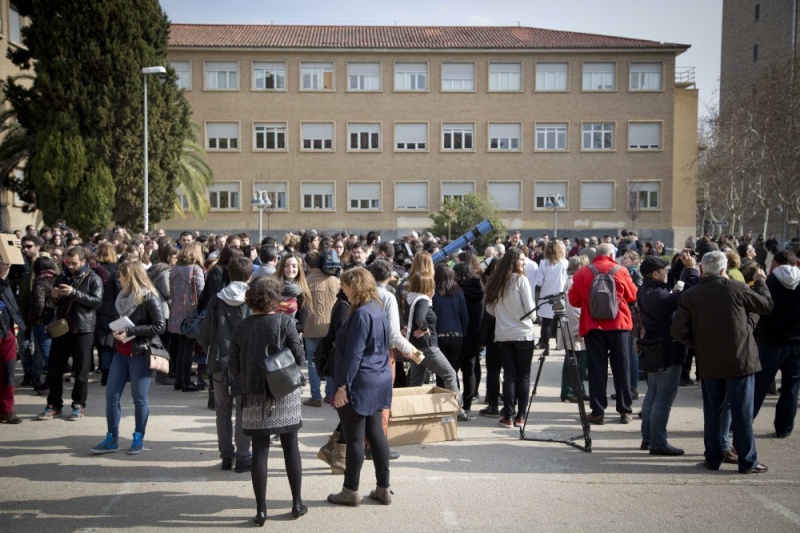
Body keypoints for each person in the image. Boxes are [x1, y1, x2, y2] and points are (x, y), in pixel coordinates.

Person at [672, 250, 773, 473]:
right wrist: (761, 282)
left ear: (702, 270)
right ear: (723, 269)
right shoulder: (736, 288)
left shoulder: (691, 294)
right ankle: (747, 461)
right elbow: (765, 305)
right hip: (740, 360)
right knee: (742, 414)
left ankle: (714, 457)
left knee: (713, 413)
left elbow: (679, 331)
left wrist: (699, 344)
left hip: (710, 361)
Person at [229, 276, 307, 525]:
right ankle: (296, 504)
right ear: (276, 298)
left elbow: (232, 365)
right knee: (290, 445)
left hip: (253, 392)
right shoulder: (285, 321)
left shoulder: (242, 326)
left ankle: (261, 510)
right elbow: (300, 357)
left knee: (260, 450)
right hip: (284, 390)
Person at [327, 267, 393, 507]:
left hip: (361, 380)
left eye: (345, 285)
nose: (342, 289)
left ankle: (350, 490)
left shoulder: (361, 314)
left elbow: (354, 354)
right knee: (376, 435)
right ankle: (383, 487)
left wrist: (343, 385)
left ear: (355, 286)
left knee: (355, 438)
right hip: (379, 377)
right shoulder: (378, 309)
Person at [91, 261, 165, 454]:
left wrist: (132, 330)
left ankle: (138, 437)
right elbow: (118, 320)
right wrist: (115, 331)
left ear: (131, 277)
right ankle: (112, 438)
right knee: (111, 396)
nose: (119, 279)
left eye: (122, 276)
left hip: (140, 354)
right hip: (121, 352)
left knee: (139, 399)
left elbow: (159, 326)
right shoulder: (121, 297)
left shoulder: (149, 297)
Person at [568, 243, 638, 425]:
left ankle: (598, 411)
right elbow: (632, 296)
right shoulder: (620, 271)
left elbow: (574, 300)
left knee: (596, 369)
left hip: (593, 326)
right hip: (619, 325)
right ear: (611, 255)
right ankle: (625, 410)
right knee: (622, 368)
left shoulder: (583, 273)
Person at [636, 253, 699, 455]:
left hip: (655, 349)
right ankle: (658, 443)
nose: (666, 273)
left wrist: (680, 263)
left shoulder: (647, 289)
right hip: (666, 350)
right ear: (655, 274)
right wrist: (692, 271)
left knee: (653, 395)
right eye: (663, 270)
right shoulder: (658, 296)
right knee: (663, 398)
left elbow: (669, 281)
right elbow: (686, 295)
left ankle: (648, 438)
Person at [199, 256, 254, 472]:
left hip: (220, 360)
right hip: (245, 362)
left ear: (228, 274)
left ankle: (226, 456)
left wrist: (210, 352)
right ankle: (243, 456)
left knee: (222, 410)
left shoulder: (216, 300)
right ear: (250, 276)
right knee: (243, 409)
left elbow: (204, 334)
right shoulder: (253, 299)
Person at [38, 246, 103, 421]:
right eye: (67, 262)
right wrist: (54, 296)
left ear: (83, 262)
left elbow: (97, 302)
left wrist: (74, 293)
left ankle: (78, 404)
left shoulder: (93, 278)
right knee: (54, 369)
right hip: (62, 328)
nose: (70, 266)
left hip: (83, 330)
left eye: (74, 263)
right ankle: (54, 404)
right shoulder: (62, 276)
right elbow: (53, 304)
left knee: (81, 372)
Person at [484, 248, 536, 428]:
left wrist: (503, 313)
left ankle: (509, 415)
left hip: (503, 334)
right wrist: (531, 317)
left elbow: (490, 310)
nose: (523, 263)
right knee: (523, 375)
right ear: (515, 262)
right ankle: (521, 415)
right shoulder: (521, 280)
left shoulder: (496, 282)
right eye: (521, 260)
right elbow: (530, 308)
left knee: (509, 375)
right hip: (523, 333)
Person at [753, 250, 799, 438]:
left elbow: (759, 309)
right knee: (791, 388)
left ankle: (743, 423)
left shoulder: (769, 282)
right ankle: (784, 429)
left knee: (759, 386)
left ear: (775, 264)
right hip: (797, 342)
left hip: (771, 341)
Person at [302, 250, 340, 407]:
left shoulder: (305, 281)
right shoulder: (334, 280)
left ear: (308, 264)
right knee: (331, 360)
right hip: (330, 328)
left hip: (311, 328)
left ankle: (315, 397)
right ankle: (330, 394)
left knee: (312, 362)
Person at [168, 243, 205, 392]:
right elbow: (201, 290)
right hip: (190, 313)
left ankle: (178, 380)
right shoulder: (195, 269)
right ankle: (186, 382)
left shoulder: (174, 269)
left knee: (181, 348)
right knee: (188, 349)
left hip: (176, 313)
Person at [453, 261, 484, 416]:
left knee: (453, 369)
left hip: (460, 334)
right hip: (475, 334)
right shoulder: (479, 289)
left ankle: (457, 401)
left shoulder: (457, 291)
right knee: (470, 370)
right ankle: (468, 402)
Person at [0, 259, 26, 424]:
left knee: (9, 373)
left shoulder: (5, 280)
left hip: (6, 332)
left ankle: (7, 410)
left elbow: (24, 270)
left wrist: (15, 252)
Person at [561, 255, 589, 403]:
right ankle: (570, 390)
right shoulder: (573, 282)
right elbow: (574, 310)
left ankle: (578, 389)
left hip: (577, 326)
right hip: (576, 327)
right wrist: (578, 330)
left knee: (580, 361)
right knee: (574, 360)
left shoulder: (574, 281)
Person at [534, 240, 568, 355]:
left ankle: (546, 347)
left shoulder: (543, 263)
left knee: (546, 323)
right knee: (562, 322)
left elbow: (538, 282)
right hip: (560, 295)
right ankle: (564, 345)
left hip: (547, 296)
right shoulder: (564, 263)